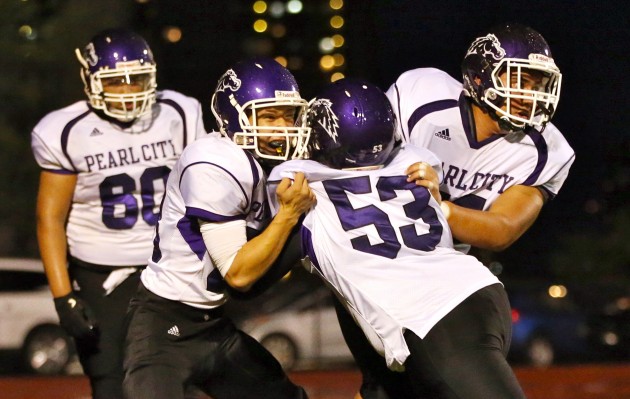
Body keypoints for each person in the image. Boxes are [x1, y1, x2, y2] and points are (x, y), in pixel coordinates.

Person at [340, 22, 577, 398]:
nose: (528, 93)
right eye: (518, 78)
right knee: (384, 389)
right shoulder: (423, 97)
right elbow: (358, 171)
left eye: (536, 82)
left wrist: (440, 208)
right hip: (375, 267)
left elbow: (502, 230)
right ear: (480, 76)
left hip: (445, 282)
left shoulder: (546, 150)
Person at [268, 78, 526, 399]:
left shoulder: (301, 189)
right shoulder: (412, 165)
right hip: (471, 295)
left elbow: (246, 277)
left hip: (432, 319)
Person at [122, 57, 314, 399]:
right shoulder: (213, 161)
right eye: (269, 117)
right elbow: (238, 274)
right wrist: (287, 215)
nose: (283, 128)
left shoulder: (280, 161)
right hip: (164, 327)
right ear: (233, 116)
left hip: (215, 326)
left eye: (289, 116)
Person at [31, 28, 206, 398]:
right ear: (90, 79)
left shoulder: (178, 112)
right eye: (115, 82)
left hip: (168, 268)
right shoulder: (64, 131)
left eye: (136, 79)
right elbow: (50, 219)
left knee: (180, 376)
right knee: (110, 382)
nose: (127, 91)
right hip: (101, 276)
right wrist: (63, 296)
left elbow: (201, 191)